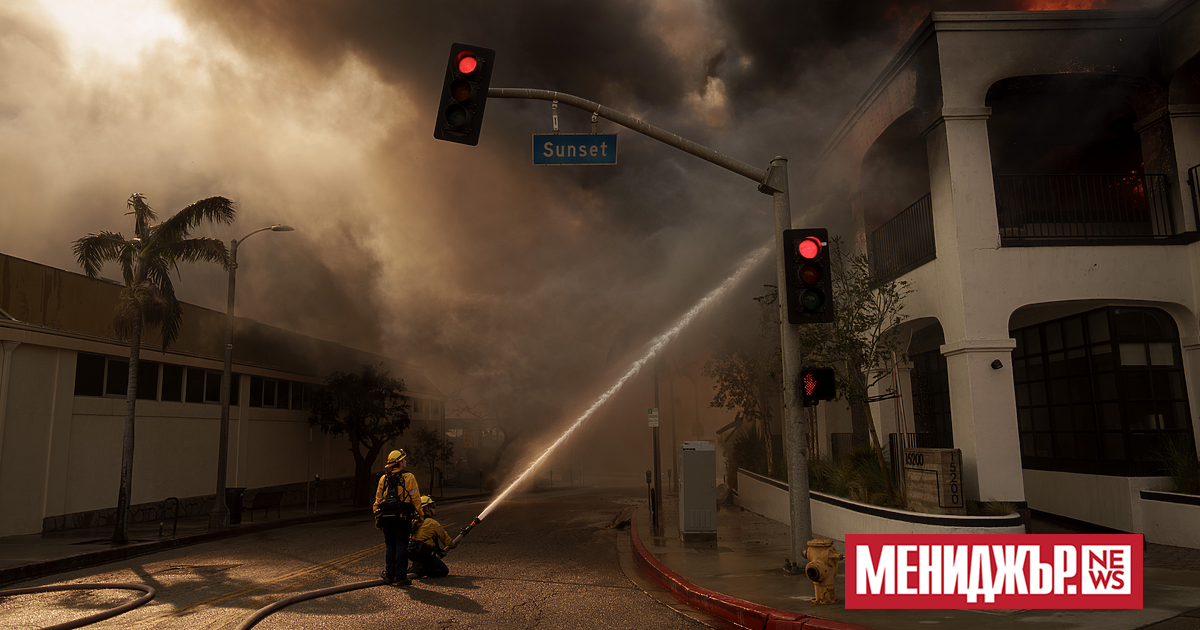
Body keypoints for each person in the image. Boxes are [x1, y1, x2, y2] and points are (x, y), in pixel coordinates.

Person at [373, 449, 423, 586]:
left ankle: (389, 575)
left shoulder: (384, 478)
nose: (405, 462)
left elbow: (378, 500)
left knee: (390, 545)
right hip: (403, 518)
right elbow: (416, 499)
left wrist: (377, 518)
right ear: (400, 462)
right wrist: (420, 516)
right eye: (404, 460)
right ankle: (401, 577)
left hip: (387, 518)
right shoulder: (409, 477)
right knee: (401, 545)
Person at [408, 495, 456, 578]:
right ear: (427, 509)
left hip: (413, 554)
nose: (434, 508)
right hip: (425, 555)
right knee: (444, 570)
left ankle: (418, 565)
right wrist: (453, 544)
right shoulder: (432, 523)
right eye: (433, 506)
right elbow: (446, 540)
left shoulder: (414, 521)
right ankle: (422, 569)